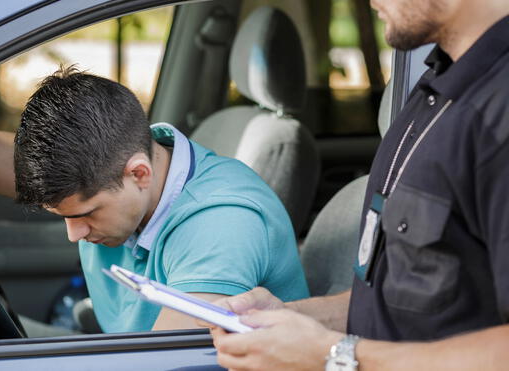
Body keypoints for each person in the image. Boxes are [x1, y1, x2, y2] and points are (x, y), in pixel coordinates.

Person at [0, 66, 309, 333]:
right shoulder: (100, 160)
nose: (74, 235)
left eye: (86, 215)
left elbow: (168, 366)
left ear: (139, 173)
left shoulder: (220, 225)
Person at [207, 0, 509, 369]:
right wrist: (295, 319)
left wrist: (335, 357)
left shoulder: (499, 112)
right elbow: (404, 300)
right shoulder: (433, 89)